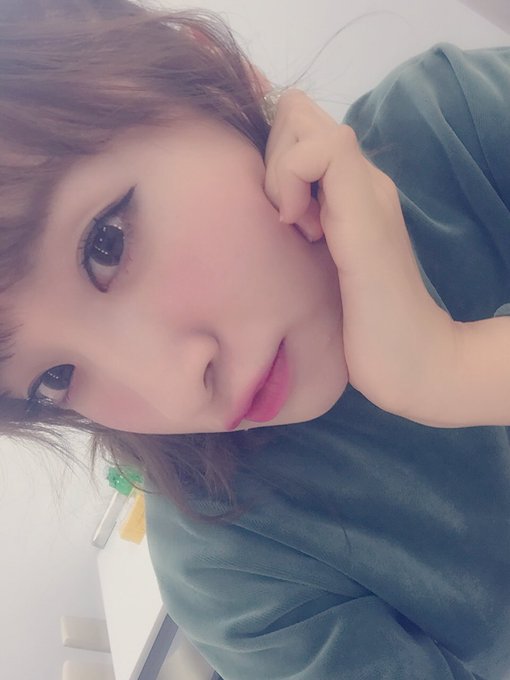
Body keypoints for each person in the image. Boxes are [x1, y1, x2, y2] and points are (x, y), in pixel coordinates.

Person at [1, 0, 509, 678]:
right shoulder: (229, 567)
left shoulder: (453, 123)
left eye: (106, 244)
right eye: (54, 379)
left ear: (210, 68)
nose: (175, 389)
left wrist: (453, 367)